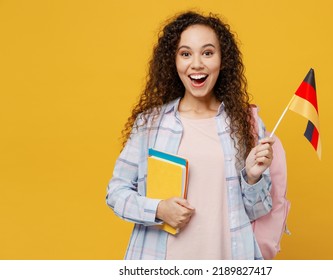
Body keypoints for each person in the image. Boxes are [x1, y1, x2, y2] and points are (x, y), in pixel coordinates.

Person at [106, 11, 274, 260]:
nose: (197, 64)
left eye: (207, 53)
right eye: (186, 54)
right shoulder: (151, 124)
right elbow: (116, 192)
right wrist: (159, 209)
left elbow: (258, 210)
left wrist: (251, 177)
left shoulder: (244, 123)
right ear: (173, 62)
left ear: (222, 60)